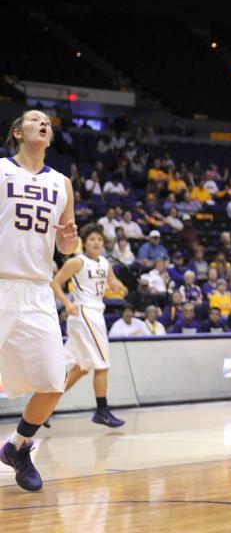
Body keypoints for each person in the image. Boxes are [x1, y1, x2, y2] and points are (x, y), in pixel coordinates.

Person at [0, 110, 77, 492]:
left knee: (53, 381)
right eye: (34, 119)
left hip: (37, 289)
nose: (43, 123)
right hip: (0, 283)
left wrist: (67, 239)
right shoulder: (0, 170)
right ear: (18, 132)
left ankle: (18, 447)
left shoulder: (62, 183)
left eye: (47, 121)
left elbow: (68, 245)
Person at [51, 223, 126, 427]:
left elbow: (113, 281)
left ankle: (44, 408)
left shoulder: (105, 262)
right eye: (92, 239)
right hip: (84, 313)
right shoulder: (77, 262)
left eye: (99, 239)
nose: (96, 242)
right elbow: (55, 283)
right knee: (102, 364)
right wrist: (67, 303)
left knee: (82, 367)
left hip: (95, 313)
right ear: (84, 243)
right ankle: (102, 410)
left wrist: (119, 286)